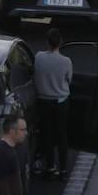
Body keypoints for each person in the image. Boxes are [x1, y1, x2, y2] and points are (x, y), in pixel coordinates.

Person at [34, 27, 73, 178]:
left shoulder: (39, 57)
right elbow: (69, 80)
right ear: (60, 43)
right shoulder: (66, 61)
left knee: (47, 134)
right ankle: (63, 170)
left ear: (47, 42)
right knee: (62, 135)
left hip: (44, 101)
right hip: (61, 101)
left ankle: (50, 166)